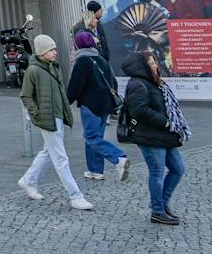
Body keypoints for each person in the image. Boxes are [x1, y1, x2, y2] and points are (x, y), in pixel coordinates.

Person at [19, 33, 93, 210]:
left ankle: (28, 180)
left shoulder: (53, 67)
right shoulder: (33, 71)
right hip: (47, 119)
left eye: (54, 49)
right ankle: (75, 196)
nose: (54, 52)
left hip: (57, 117)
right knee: (60, 158)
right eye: (50, 49)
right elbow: (25, 95)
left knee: (48, 152)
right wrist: (37, 115)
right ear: (41, 51)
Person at [122, 50, 188, 226]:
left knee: (178, 169)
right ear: (142, 66)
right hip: (149, 136)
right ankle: (158, 211)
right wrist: (166, 122)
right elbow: (139, 110)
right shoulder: (137, 84)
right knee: (157, 172)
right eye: (151, 63)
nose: (155, 65)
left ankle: (161, 202)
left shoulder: (154, 82)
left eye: (154, 62)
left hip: (165, 134)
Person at [67, 29, 129, 182]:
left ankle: (118, 158)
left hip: (90, 105)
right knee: (96, 136)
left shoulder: (82, 61)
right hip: (105, 106)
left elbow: (75, 87)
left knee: (91, 137)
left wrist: (65, 102)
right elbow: (113, 82)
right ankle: (95, 170)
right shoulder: (100, 59)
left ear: (78, 45)